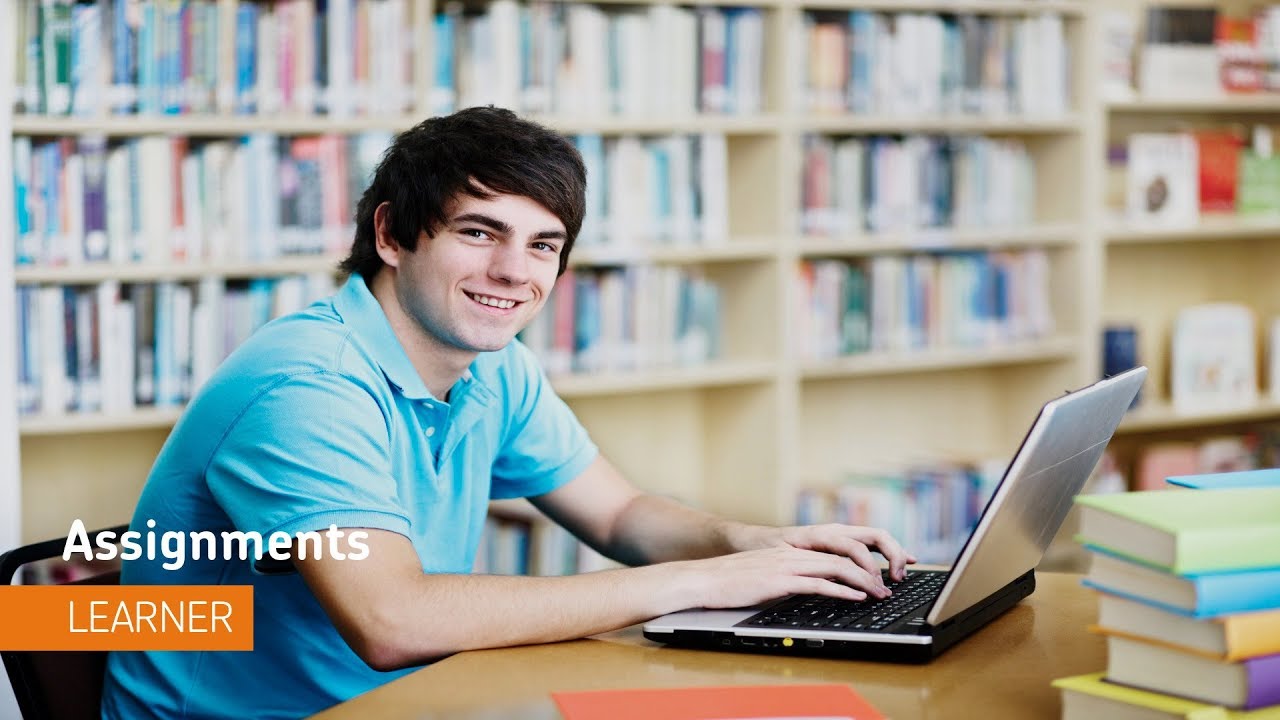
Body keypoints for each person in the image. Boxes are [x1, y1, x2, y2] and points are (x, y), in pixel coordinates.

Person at [101, 107, 915, 719]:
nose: (512, 271)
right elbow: (394, 619)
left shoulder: (493, 367)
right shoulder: (305, 386)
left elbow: (623, 515)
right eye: (480, 231)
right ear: (391, 234)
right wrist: (702, 582)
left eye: (542, 244)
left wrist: (754, 545)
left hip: (416, 701)